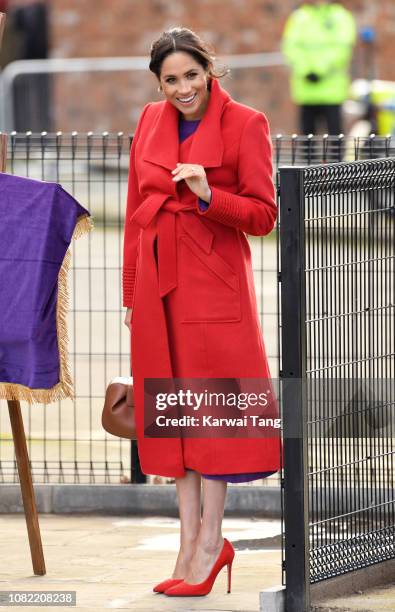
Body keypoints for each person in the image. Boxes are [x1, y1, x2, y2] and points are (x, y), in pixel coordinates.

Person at [122, 27, 280, 597]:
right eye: (171, 80)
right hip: (160, 290)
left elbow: (264, 215)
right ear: (158, 83)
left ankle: (212, 544)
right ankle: (186, 544)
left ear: (209, 70)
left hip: (215, 291)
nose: (183, 88)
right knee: (176, 416)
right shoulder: (149, 120)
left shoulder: (247, 124)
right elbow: (138, 208)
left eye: (192, 75)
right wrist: (130, 293)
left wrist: (210, 194)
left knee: (212, 417)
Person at [282, 0, 356, 135]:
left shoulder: (340, 16)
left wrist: (319, 70)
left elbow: (343, 48)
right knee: (307, 141)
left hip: (332, 92)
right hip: (306, 92)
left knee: (335, 139)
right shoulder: (299, 17)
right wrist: (305, 70)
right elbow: (291, 47)